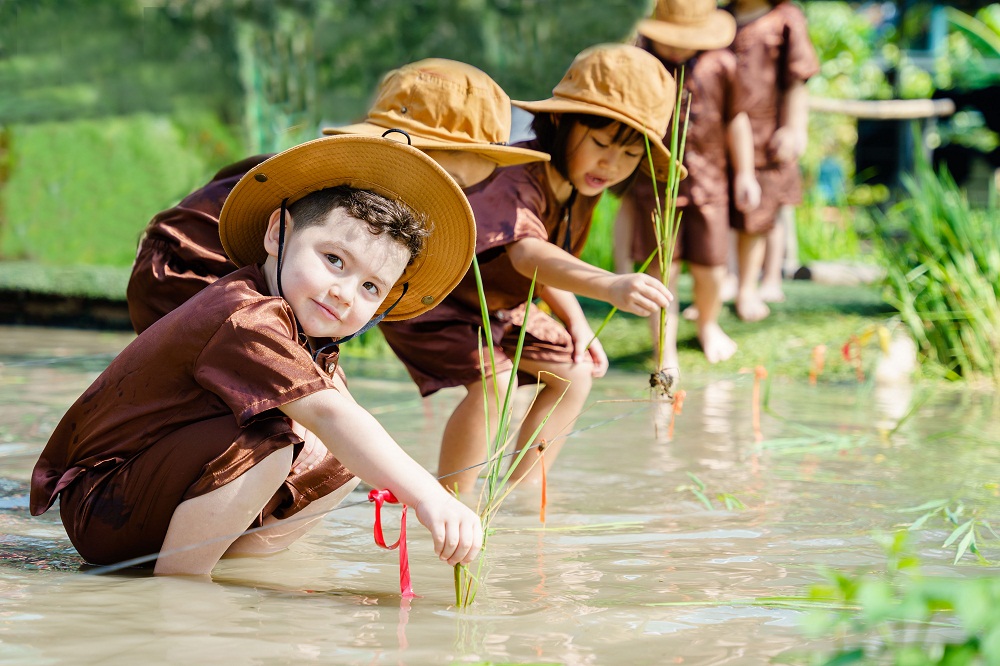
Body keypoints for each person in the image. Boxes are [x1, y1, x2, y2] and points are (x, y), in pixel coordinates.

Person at [30, 135, 484, 577]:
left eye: (370, 287)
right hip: (104, 505)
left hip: (149, 502)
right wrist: (430, 495)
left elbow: (342, 423)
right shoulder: (244, 316)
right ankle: (182, 586)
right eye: (334, 260)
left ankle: (235, 568)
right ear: (277, 232)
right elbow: (328, 413)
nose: (344, 293)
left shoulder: (301, 325)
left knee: (341, 458)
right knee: (270, 443)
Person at [380, 44, 682, 495]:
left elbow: (547, 260)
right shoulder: (519, 175)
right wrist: (610, 285)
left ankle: (515, 497)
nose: (610, 164)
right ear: (561, 121)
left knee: (573, 372)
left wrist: (576, 321)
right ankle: (452, 507)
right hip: (434, 298)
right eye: (600, 144)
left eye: (629, 155)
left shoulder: (582, 185)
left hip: (498, 309)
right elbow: (526, 253)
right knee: (495, 384)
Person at [127, 58, 548, 335]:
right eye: (442, 177)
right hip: (188, 273)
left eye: (461, 188)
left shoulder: (380, 220)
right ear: (403, 152)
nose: (442, 197)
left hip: (270, 292)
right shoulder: (334, 185)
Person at [614, 0, 760, 369]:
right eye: (671, 39)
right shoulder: (640, 64)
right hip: (656, 184)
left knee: (712, 266)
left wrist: (745, 173)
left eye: (687, 40)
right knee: (663, 268)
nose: (678, 48)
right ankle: (665, 348)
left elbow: (736, 120)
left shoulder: (721, 65)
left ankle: (708, 325)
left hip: (710, 183)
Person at [729, 0, 819, 320]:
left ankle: (769, 278)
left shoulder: (786, 19)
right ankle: (732, 280)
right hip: (726, 133)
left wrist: (795, 127)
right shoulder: (720, 18)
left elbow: (797, 78)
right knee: (728, 213)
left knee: (768, 210)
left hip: (769, 135)